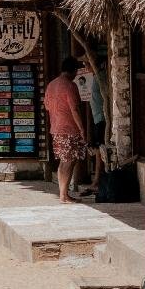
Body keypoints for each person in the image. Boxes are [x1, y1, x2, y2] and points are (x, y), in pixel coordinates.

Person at [45, 57, 87, 203]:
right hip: (69, 128)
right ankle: (64, 195)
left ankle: (63, 193)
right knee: (69, 161)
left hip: (55, 128)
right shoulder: (70, 86)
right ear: (74, 70)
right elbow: (74, 108)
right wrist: (82, 129)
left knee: (64, 161)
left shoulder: (51, 85)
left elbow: (47, 106)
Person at [84, 64, 108, 193]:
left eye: (86, 63)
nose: (84, 66)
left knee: (99, 149)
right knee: (97, 148)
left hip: (102, 117)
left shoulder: (101, 76)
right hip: (97, 117)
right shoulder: (94, 77)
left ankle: (98, 180)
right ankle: (98, 180)